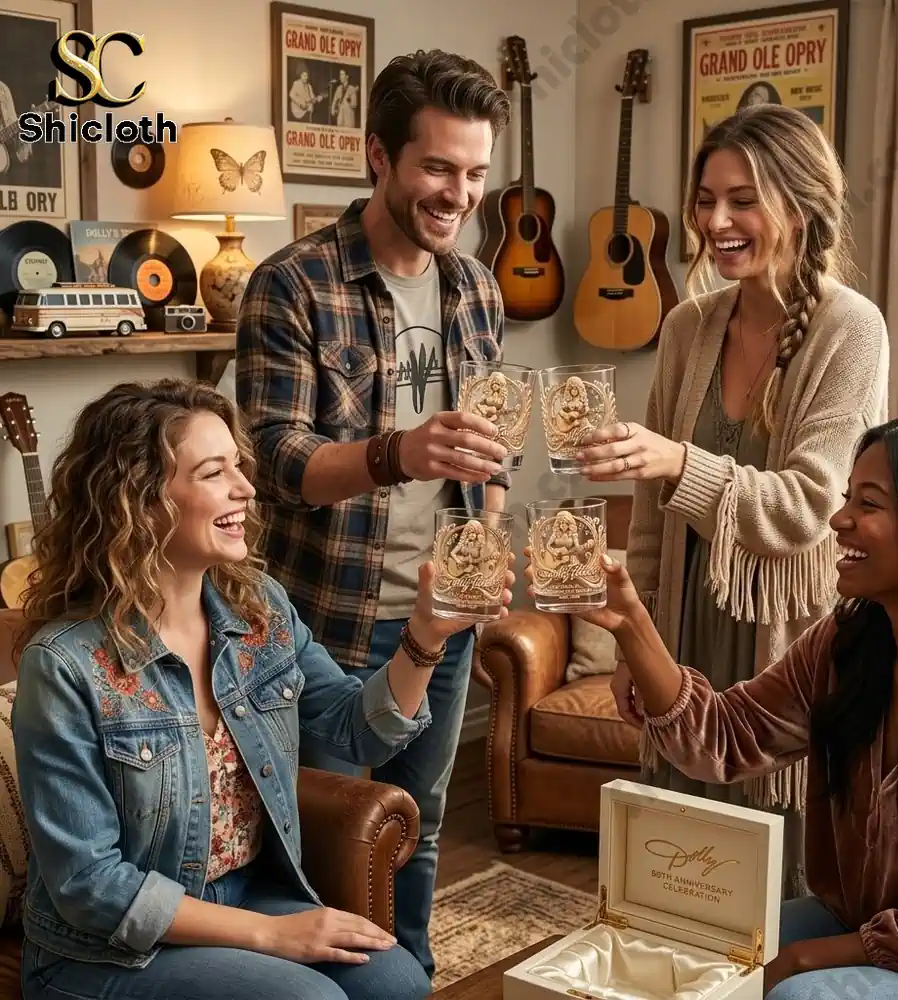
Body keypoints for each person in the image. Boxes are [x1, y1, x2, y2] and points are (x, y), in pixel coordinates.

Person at [11, 379, 514, 1000]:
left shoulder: (258, 611)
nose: (245, 488)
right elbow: (90, 884)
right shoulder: (64, 665)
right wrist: (271, 936)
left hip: (242, 895)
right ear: (139, 502)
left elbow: (359, 730)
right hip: (103, 953)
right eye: (213, 472)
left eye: (238, 467)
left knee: (397, 981)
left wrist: (426, 635)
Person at [539, 415, 898, 999]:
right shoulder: (844, 646)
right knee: (687, 945)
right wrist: (632, 622)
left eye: (870, 503)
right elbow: (723, 739)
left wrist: (805, 959)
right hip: (856, 922)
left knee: (791, 994)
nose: (839, 520)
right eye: (846, 497)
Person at [235, 49, 511, 979]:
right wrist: (399, 452)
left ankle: (411, 979)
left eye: (474, 174)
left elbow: (490, 452)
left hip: (440, 615)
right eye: (437, 168)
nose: (458, 194)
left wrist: (490, 546)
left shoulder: (477, 288)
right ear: (378, 157)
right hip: (326, 615)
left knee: (418, 825)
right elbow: (273, 460)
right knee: (318, 829)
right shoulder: (293, 283)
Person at [575, 103, 890, 899]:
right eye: (706, 198)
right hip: (683, 629)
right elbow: (651, 515)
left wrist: (680, 459)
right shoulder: (687, 326)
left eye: (742, 199)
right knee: (676, 874)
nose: (717, 220)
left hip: (788, 644)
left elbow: (809, 506)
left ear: (800, 203)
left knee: (768, 881)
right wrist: (633, 647)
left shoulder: (851, 330)